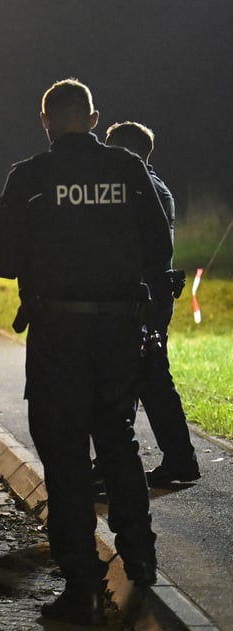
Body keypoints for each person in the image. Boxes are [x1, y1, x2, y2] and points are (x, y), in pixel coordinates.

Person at [0, 79, 173, 626]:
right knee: (118, 439)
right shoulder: (129, 170)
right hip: (117, 332)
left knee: (64, 457)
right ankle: (140, 554)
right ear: (92, 118)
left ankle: (82, 584)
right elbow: (159, 248)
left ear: (45, 121)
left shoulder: (31, 176)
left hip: (57, 334)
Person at [104, 121, 200, 485]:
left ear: (128, 153)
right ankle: (129, 460)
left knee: (151, 377)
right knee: (138, 376)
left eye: (112, 150)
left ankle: (181, 460)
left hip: (145, 297)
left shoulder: (145, 191)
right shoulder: (151, 187)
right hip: (150, 294)